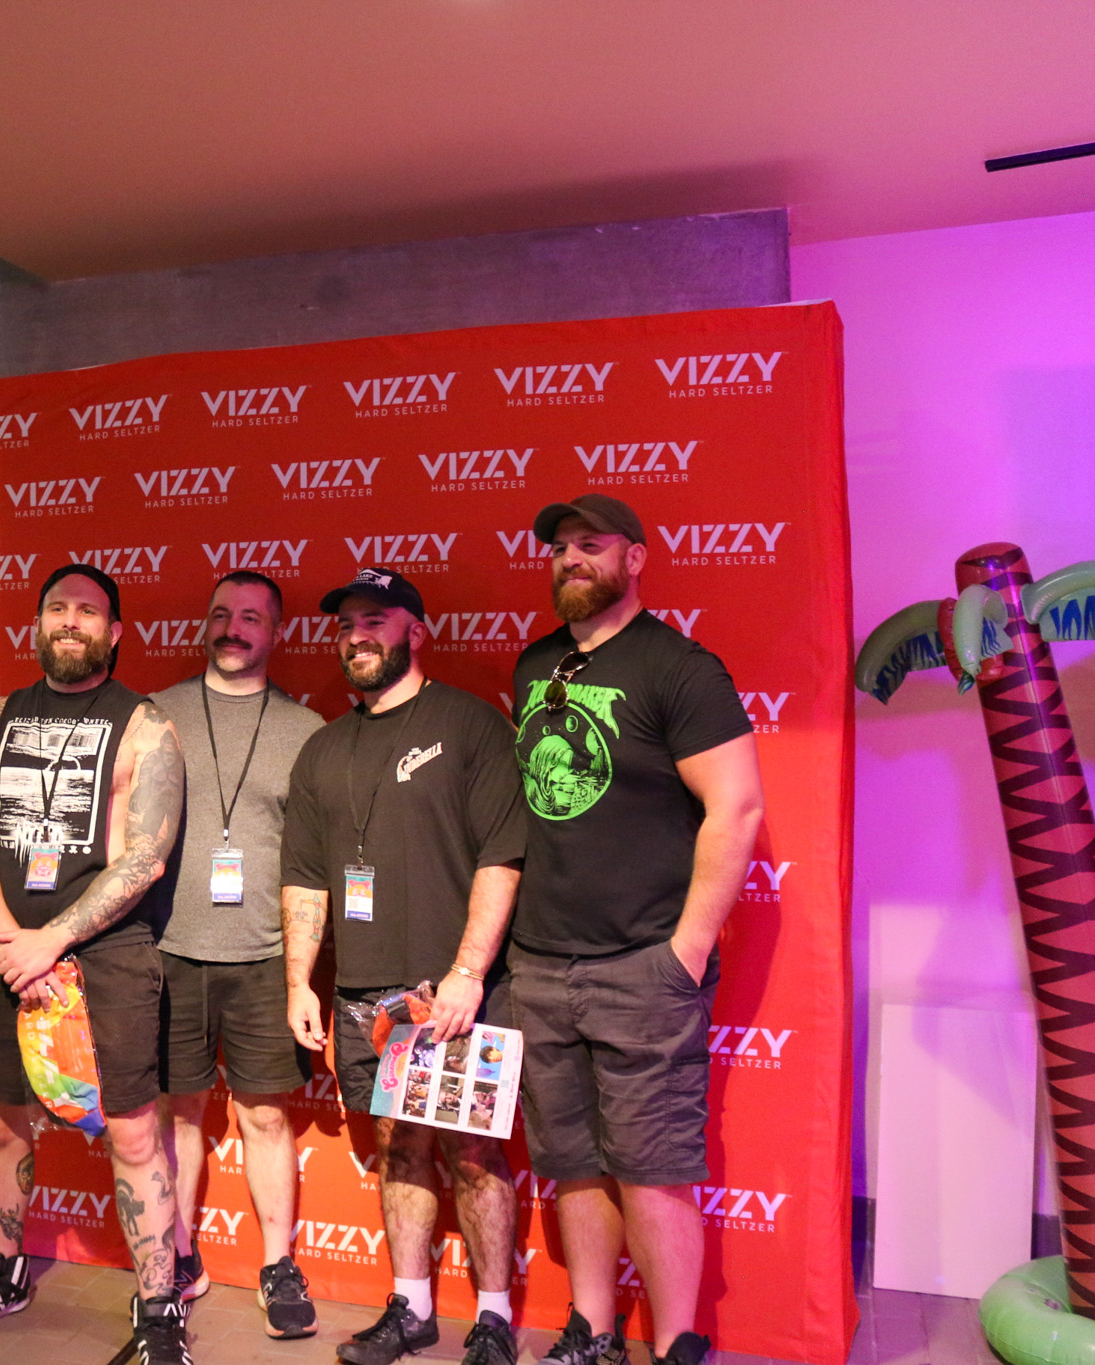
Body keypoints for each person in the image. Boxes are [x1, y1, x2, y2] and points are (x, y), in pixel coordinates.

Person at [506, 495, 764, 1365]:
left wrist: (684, 950)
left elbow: (737, 806)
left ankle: (676, 1342)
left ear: (636, 557)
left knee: (652, 1167)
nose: (570, 558)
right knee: (572, 1160)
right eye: (559, 547)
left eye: (591, 544)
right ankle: (592, 1328)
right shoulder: (535, 664)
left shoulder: (678, 667)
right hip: (541, 961)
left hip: (643, 964)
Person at [0, 564, 195, 1365]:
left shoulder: (146, 725)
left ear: (114, 631)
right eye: (57, 608)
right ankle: (4, 1270)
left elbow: (146, 856)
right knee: (1, 1120)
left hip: (109, 955)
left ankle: (159, 1307)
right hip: (9, 951)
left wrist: (51, 941)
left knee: (134, 1133)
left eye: (88, 610)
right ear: (38, 623)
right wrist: (13, 940)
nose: (70, 620)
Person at [280, 568, 527, 1365]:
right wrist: (299, 981)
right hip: (365, 994)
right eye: (345, 623)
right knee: (398, 1145)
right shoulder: (324, 748)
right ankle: (411, 1307)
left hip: (454, 989)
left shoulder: (470, 724)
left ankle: (494, 1318)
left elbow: (502, 856)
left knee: (472, 1152)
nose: (356, 635)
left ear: (416, 632)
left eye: (375, 620)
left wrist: (468, 972)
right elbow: (305, 877)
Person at [150, 571, 327, 1339]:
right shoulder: (155, 714)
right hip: (168, 952)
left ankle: (278, 1263)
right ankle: (178, 1253)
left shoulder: (306, 729)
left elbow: (315, 862)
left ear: (275, 632)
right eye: (220, 612)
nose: (232, 627)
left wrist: (300, 970)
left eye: (251, 616)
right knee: (177, 1112)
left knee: (263, 1115)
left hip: (263, 958)